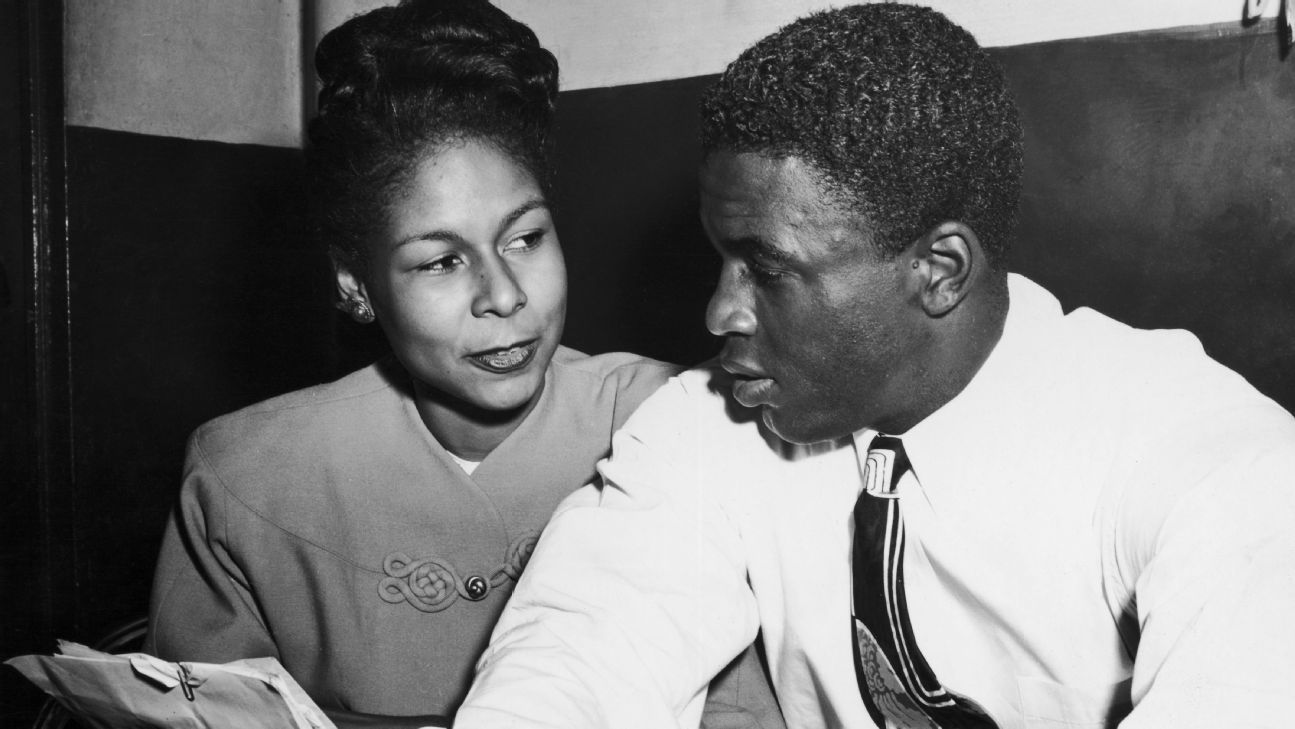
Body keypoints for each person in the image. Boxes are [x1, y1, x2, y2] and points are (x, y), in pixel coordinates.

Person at [455, 4, 1295, 728]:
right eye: (719, 260)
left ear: (938, 270)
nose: (718, 313)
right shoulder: (708, 424)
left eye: (768, 270)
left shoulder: (1204, 455)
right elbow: (578, 649)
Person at [143, 2, 781, 727]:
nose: (504, 296)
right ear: (356, 283)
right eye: (442, 261)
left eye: (525, 238)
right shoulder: (243, 475)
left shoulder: (675, 420)